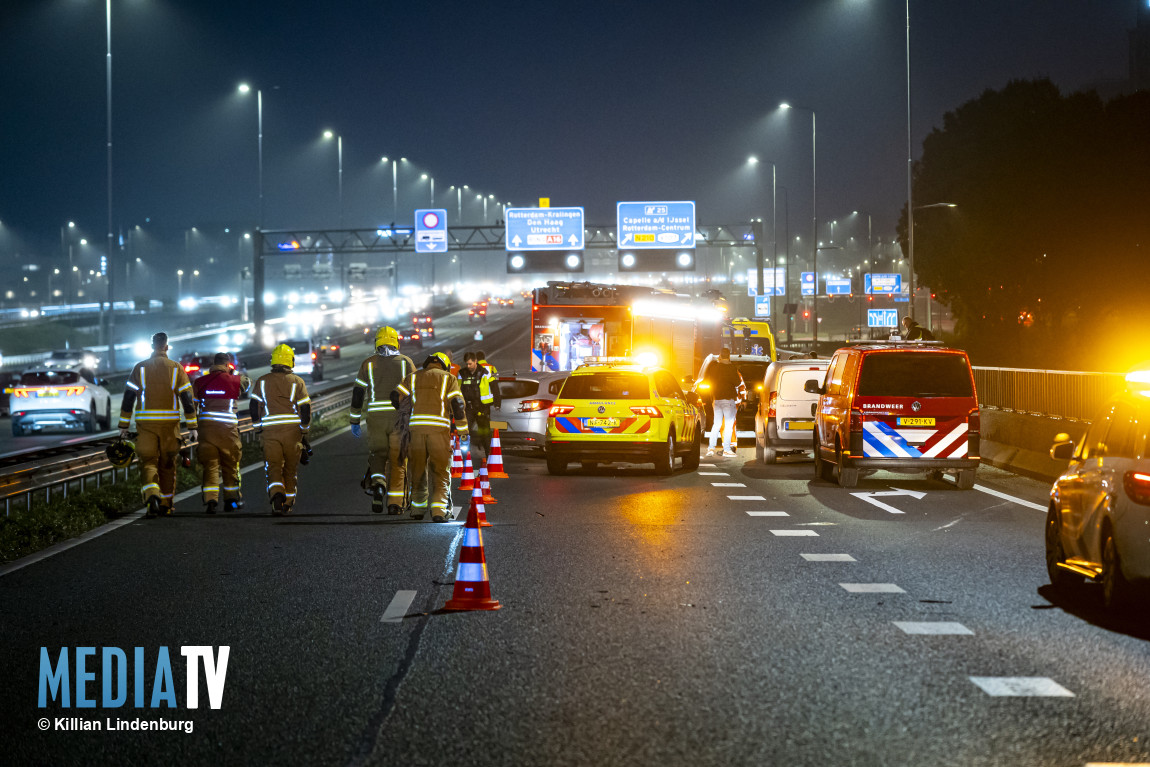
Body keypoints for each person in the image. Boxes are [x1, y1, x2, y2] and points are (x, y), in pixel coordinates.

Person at [118, 332, 198, 517]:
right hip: (170, 427)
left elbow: (129, 398)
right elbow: (187, 400)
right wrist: (193, 427)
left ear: (152, 346)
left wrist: (123, 425)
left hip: (146, 425)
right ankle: (165, 504)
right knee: (168, 465)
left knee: (148, 463)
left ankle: (151, 495)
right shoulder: (177, 368)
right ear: (166, 347)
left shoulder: (140, 368)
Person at [394, 351, 468, 523]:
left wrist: (406, 414)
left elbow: (395, 397)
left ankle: (418, 509)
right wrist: (463, 432)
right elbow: (457, 405)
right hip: (439, 432)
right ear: (445, 365)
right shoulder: (449, 378)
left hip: (416, 432)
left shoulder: (412, 377)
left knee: (418, 469)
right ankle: (439, 511)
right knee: (441, 471)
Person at [350, 326, 415, 514]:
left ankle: (378, 485)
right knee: (398, 460)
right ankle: (395, 504)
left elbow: (358, 393)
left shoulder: (368, 363)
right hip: (399, 418)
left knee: (377, 454)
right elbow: (414, 391)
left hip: (375, 418)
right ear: (396, 341)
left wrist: (355, 420)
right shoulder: (405, 362)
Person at [250, 343, 312, 516]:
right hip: (293, 433)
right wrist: (304, 430)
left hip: (270, 432)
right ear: (290, 361)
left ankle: (277, 496)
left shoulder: (262, 381)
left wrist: (258, 428)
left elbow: (254, 406)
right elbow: (305, 410)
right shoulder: (297, 382)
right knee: (291, 470)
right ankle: (288, 503)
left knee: (274, 467)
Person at [192, 352, 251, 513]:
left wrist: (193, 427)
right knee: (230, 465)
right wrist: (233, 373)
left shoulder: (200, 382)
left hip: (206, 430)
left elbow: (193, 407)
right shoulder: (234, 380)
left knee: (210, 466)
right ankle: (231, 501)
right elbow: (247, 382)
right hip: (227, 430)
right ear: (227, 365)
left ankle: (211, 502)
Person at [458, 351, 502, 465]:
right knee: (464, 432)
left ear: (475, 361)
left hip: (482, 407)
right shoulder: (462, 373)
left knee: (485, 433)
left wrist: (497, 402)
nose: (468, 366)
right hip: (468, 407)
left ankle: (489, 459)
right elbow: (457, 389)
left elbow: (494, 387)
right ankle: (463, 459)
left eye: (470, 364)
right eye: (466, 364)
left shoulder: (485, 372)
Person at [705, 347, 741, 458]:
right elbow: (737, 382)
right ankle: (726, 449)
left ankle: (711, 448)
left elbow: (710, 381)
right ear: (729, 356)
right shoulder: (731, 368)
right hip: (728, 399)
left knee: (716, 424)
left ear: (720, 356)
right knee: (729, 425)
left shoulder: (714, 368)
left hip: (717, 399)